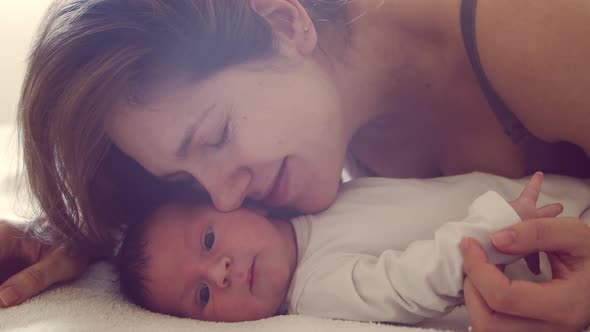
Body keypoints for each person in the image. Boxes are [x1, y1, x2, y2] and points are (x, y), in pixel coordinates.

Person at [1, 0, 590, 330]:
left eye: (216, 135)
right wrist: (82, 238)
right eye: (185, 181)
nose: (226, 200)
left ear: (284, 24)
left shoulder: (536, 35)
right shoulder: (313, 158)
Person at [116, 172, 579, 324]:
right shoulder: (316, 289)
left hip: (550, 197)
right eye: (201, 296)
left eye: (209, 240)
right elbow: (411, 282)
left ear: (241, 202)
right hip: (548, 257)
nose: (219, 273)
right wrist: (498, 229)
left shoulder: (317, 197)